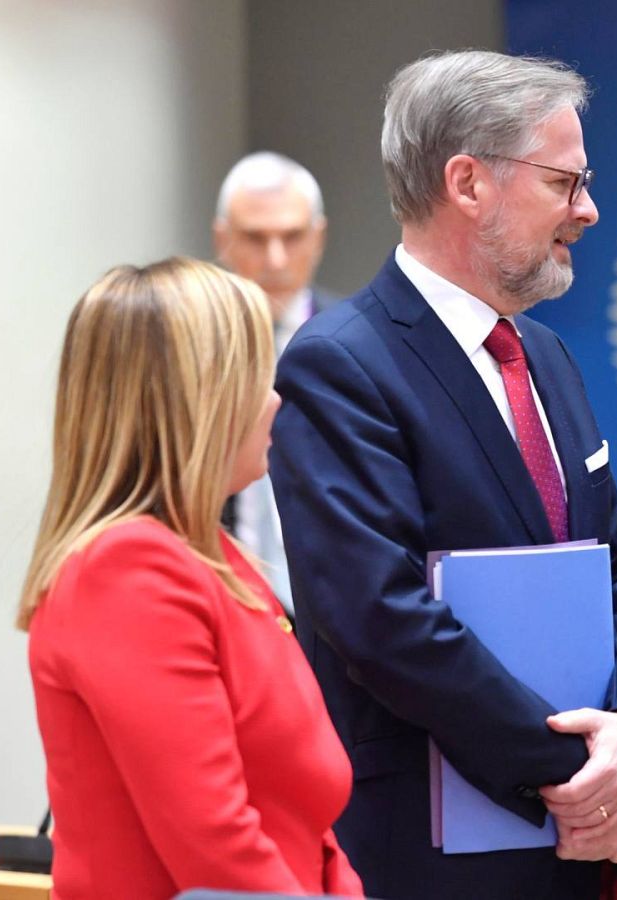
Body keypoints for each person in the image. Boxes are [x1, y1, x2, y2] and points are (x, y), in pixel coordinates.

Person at [267, 50, 617, 900]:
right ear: (467, 183)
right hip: (435, 860)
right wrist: (572, 771)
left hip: (586, 846)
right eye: (567, 183)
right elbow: (380, 620)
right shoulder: (340, 366)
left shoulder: (549, 357)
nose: (589, 210)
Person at [18, 258, 362, 899]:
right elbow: (217, 848)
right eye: (257, 377)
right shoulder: (128, 573)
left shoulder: (215, 556)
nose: (276, 401)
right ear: (197, 403)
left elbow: (309, 832)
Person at [213, 150, 337, 614]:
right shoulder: (194, 350)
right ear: (222, 238)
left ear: (318, 237)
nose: (276, 258)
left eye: (291, 235)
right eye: (255, 237)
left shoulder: (360, 348)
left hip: (330, 606)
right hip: (224, 596)